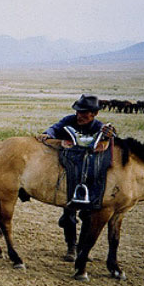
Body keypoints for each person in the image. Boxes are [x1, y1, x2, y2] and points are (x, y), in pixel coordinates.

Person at [36, 94, 116, 262]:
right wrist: (46, 134)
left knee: (88, 214)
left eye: (84, 113)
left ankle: (82, 247)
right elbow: (54, 128)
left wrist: (109, 136)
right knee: (69, 211)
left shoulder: (100, 127)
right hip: (69, 171)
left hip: (90, 173)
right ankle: (71, 246)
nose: (80, 115)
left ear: (94, 114)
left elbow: (109, 139)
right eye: (78, 112)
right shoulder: (69, 121)